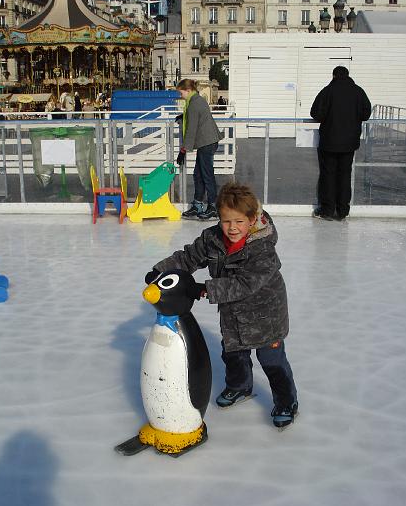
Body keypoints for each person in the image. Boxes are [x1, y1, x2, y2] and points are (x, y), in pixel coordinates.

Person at [145, 182, 298, 428]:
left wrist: (205, 288)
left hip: (265, 314)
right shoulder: (214, 238)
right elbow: (189, 256)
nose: (232, 228)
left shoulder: (263, 250)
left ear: (252, 219)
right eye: (226, 221)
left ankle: (286, 400)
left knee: (272, 360)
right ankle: (240, 387)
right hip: (232, 313)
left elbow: (245, 284)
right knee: (233, 354)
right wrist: (161, 270)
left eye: (239, 222)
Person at [310, 66, 371, 221]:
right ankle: (343, 211)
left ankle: (327, 210)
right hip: (349, 144)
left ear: (334, 75)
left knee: (328, 175)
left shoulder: (328, 91)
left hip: (329, 142)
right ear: (348, 75)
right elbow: (366, 113)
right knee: (344, 175)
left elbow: (315, 113)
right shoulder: (358, 92)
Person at [176, 79, 224, 221]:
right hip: (207, 141)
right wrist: (184, 116)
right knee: (198, 174)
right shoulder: (196, 100)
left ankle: (213, 207)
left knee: (206, 174)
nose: (180, 95)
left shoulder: (194, 104)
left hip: (207, 142)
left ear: (188, 90)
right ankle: (198, 204)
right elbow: (195, 118)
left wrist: (183, 150)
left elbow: (191, 130)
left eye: (181, 92)